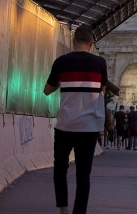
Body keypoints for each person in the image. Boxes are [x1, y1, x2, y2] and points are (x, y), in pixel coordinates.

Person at [44, 24, 108, 214]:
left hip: (66, 124)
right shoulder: (100, 64)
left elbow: (47, 90)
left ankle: (63, 208)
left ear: (73, 42)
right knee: (83, 174)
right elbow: (101, 90)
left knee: (60, 168)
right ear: (91, 42)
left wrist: (64, 81)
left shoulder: (61, 62)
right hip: (89, 126)